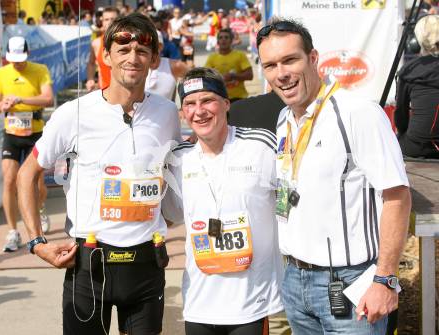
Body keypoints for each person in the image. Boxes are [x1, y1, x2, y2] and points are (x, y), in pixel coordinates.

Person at [17, 13, 181, 334]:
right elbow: (27, 173)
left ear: (154, 60)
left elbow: (173, 175)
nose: (133, 57)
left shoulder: (167, 113)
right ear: (105, 55)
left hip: (147, 264)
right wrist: (36, 242)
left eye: (142, 51)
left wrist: (163, 218)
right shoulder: (74, 114)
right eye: (123, 49)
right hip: (89, 265)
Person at [257, 18, 411, 334]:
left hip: (350, 286)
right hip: (295, 283)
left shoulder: (358, 112)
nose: (281, 73)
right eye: (270, 65)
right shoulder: (285, 117)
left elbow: (396, 196)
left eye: (290, 60)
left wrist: (385, 280)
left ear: (313, 59)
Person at [162, 67, 284, 335]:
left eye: (207, 100)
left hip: (253, 301)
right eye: (190, 104)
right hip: (199, 300)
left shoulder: (261, 146)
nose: (199, 111)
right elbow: (168, 215)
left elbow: (290, 200)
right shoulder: (178, 159)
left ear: (226, 104)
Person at [0, 36, 54, 251]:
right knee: (10, 180)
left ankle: (40, 209)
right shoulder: (2, 73)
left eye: (20, 59)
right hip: (12, 133)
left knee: (37, 183)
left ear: (28, 54)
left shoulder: (39, 70)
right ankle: (13, 231)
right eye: (13, 60)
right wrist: (3, 103)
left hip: (35, 131)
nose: (17, 64)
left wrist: (22, 100)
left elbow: (48, 98)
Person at [395, 14, 439, 159]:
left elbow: (401, 115)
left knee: (394, 142)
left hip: (417, 146)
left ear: (416, 41)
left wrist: (403, 133)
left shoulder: (409, 70)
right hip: (421, 144)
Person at [205, 28, 253, 103]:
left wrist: (233, 76)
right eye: (221, 38)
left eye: (226, 37)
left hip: (239, 98)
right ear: (217, 42)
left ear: (231, 41)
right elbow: (205, 77)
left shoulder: (240, 55)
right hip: (219, 98)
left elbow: (250, 75)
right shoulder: (212, 58)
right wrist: (219, 78)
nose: (223, 40)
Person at [145, 31, 189, 101]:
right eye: (145, 45)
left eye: (153, 45)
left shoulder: (174, 66)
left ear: (161, 46)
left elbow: (198, 78)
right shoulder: (135, 67)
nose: (149, 49)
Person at [86, 7, 119, 91]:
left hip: (126, 95)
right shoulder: (96, 43)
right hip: (105, 95)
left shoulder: (128, 42)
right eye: (106, 19)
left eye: (113, 19)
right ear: (102, 22)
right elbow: (91, 63)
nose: (110, 22)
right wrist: (90, 79)